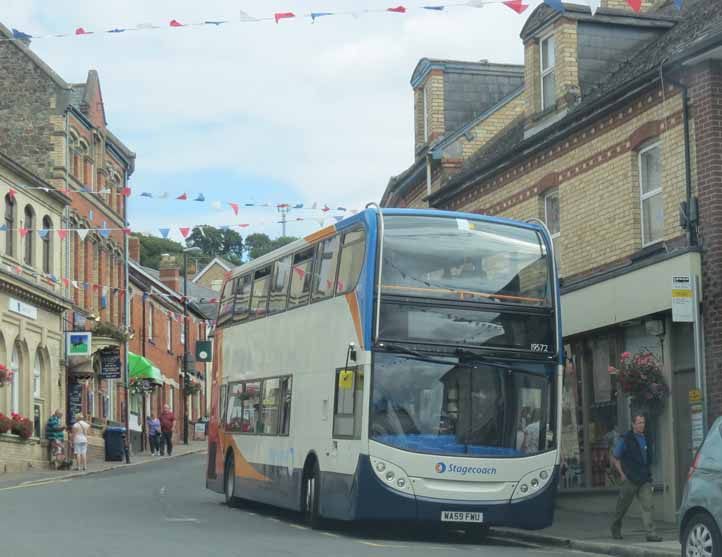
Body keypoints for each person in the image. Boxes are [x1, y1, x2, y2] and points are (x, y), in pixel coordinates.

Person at [609, 413, 662, 542]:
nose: (641, 425)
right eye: (639, 423)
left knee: (648, 505)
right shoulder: (626, 439)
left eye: (643, 422)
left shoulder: (647, 437)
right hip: (630, 478)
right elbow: (615, 457)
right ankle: (615, 526)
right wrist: (622, 474)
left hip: (644, 478)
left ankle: (651, 533)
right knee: (622, 506)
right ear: (633, 424)